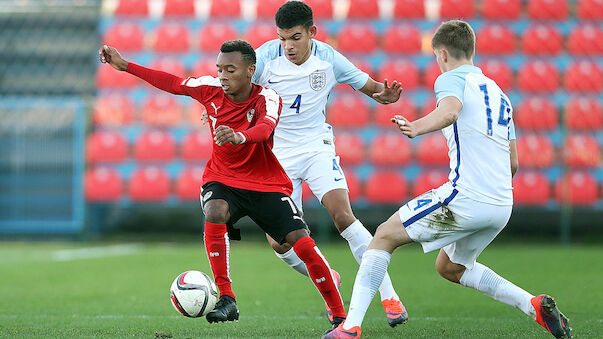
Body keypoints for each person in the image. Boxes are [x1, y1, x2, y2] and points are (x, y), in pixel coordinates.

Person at [324, 20, 572, 339]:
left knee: (383, 235)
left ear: (441, 54)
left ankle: (350, 327)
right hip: (501, 204)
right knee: (450, 267)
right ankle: (533, 305)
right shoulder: (499, 94)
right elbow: (513, 161)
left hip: (466, 198)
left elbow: (451, 111)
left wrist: (416, 126)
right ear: (472, 50)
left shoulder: (450, 79)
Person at [98, 40, 348, 329]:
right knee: (214, 210)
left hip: (265, 184)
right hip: (223, 179)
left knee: (300, 242)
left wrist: (239, 136)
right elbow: (172, 83)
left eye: (230, 69)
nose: (223, 75)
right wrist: (125, 65)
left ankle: (341, 316)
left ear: (250, 71)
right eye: (220, 69)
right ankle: (227, 298)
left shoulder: (268, 97)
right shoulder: (211, 89)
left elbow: (265, 127)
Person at [251, 1, 408, 327]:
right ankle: (325, 274)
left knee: (342, 214)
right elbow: (237, 86)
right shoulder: (265, 56)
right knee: (280, 241)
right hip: (277, 156)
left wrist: (387, 96)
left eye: (295, 37)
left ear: (312, 32)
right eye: (282, 38)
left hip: (316, 147)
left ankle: (389, 294)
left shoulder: (329, 58)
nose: (288, 46)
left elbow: (373, 89)